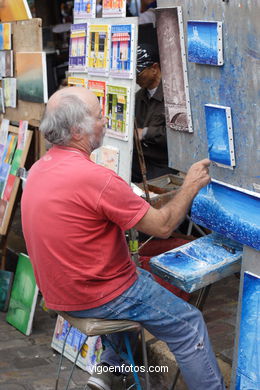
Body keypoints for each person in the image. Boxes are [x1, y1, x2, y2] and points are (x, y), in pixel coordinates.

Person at [21, 87, 225, 390]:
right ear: (78, 130)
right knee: (189, 325)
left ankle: (111, 366)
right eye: (100, 116)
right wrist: (191, 184)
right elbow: (164, 226)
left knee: (137, 273)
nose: (106, 122)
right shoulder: (96, 178)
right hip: (97, 296)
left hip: (60, 294)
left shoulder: (39, 169)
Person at [132, 43, 177, 183]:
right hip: (140, 161)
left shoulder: (174, 94)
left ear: (155, 68)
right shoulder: (139, 96)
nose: (135, 78)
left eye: (138, 73)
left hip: (164, 164)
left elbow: (178, 136)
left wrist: (145, 133)